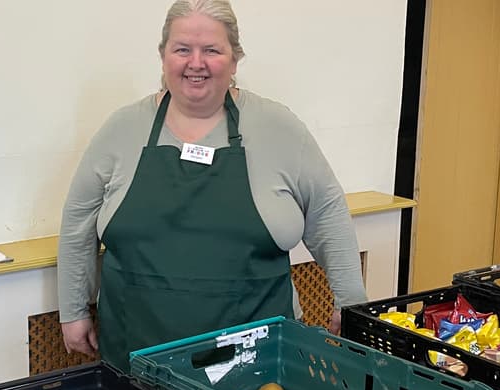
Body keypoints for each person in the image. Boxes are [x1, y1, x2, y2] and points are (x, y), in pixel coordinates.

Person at [57, 0, 366, 368]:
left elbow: (327, 213)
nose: (196, 63)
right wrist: (73, 310)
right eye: (182, 49)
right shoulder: (122, 129)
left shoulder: (278, 128)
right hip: (135, 360)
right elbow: (78, 221)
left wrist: (351, 303)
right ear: (163, 56)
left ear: (234, 59)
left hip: (257, 367)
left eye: (212, 50)